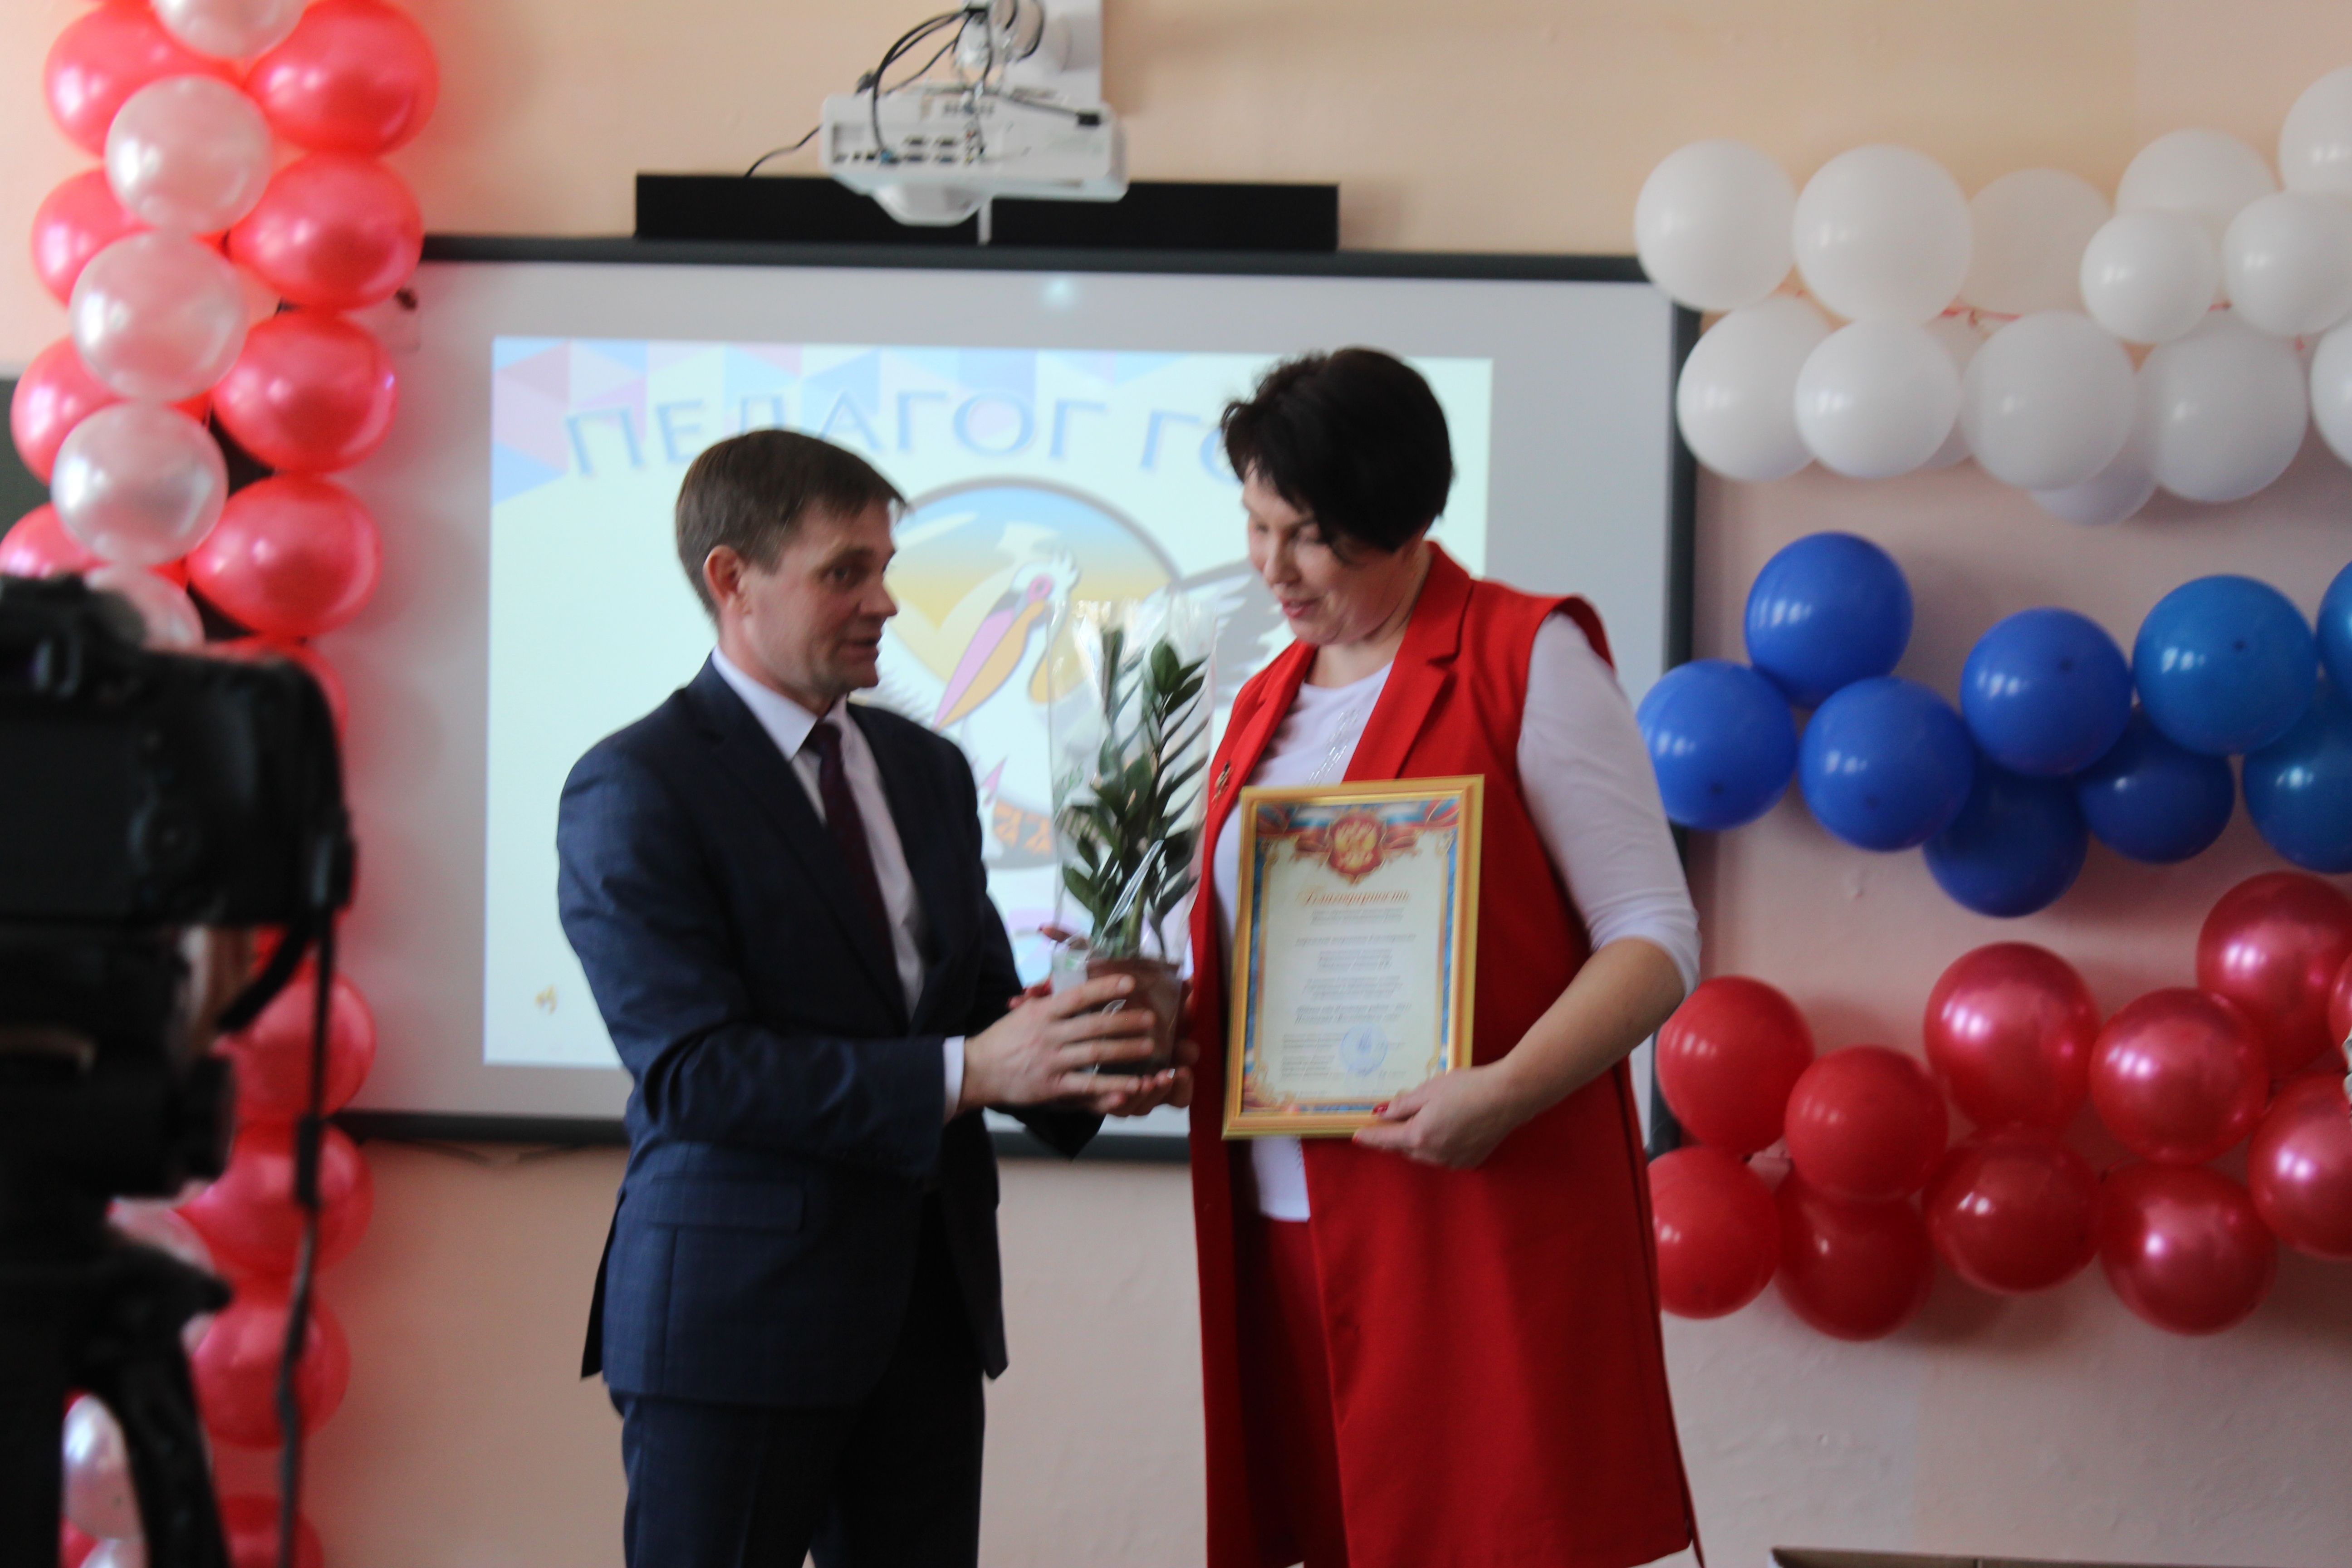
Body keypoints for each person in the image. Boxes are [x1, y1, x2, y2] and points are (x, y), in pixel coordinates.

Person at [556, 428, 1187, 1568]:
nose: (886, 603)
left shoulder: (925, 768)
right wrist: (972, 1070)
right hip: (734, 1324)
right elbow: (695, 1072)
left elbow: (976, 1010)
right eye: (845, 571)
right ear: (732, 579)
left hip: (926, 1317)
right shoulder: (637, 784)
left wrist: (1097, 1055)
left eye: (886, 568)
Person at [1182, 349, 1704, 1568]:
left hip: (1475, 1215)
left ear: (1407, 522)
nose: (1272, 569)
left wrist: (1506, 1091)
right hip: (1284, 1222)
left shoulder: (1527, 655)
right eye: (1257, 526)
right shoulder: (1262, 699)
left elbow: (1655, 938)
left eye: (1311, 539)